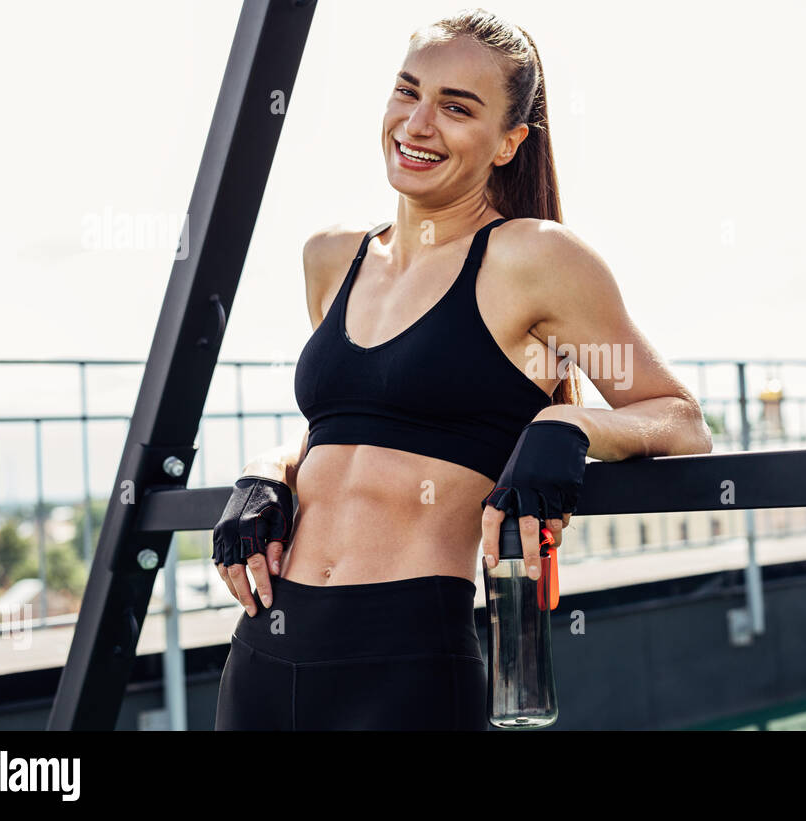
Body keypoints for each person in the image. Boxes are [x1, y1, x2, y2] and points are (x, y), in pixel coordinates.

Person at [211, 7, 713, 731]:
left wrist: (567, 423)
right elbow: (345, 429)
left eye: (455, 107)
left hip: (407, 664)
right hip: (263, 649)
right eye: (407, 92)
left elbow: (679, 418)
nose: (417, 124)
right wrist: (265, 469)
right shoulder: (331, 257)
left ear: (509, 142)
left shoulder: (535, 259)